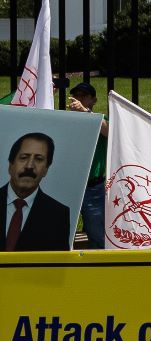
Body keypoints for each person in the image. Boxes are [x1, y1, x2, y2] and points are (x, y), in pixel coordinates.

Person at [3, 132, 74, 251]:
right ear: (10, 165)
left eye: (39, 159)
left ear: (46, 169)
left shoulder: (58, 215)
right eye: (24, 157)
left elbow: (57, 266)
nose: (30, 166)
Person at [66, 81, 107, 248]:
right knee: (61, 229)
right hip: (69, 186)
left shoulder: (100, 119)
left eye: (84, 96)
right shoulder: (66, 120)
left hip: (93, 187)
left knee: (96, 229)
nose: (79, 99)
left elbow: (109, 131)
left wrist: (86, 113)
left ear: (94, 101)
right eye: (76, 95)